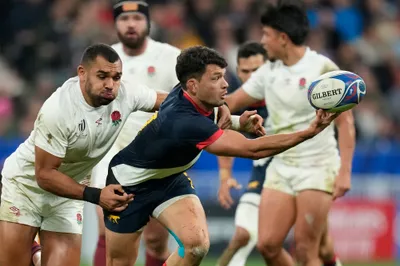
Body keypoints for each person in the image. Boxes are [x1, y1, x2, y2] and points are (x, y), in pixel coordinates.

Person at [102, 45, 339, 266]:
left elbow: (214, 110)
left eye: (223, 76)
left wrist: (236, 120)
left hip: (169, 180)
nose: (226, 84)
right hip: (128, 185)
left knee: (196, 246)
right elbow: (253, 149)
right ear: (193, 85)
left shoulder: (187, 92)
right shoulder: (184, 121)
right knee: (120, 262)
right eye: (216, 79)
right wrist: (309, 132)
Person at [0, 43, 169, 266]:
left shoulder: (126, 94)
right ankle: (36, 252)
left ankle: (37, 255)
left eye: (116, 77)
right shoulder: (58, 109)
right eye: (102, 76)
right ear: (82, 73)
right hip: (26, 187)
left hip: (67, 194)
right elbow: (44, 175)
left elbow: (170, 102)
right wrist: (97, 196)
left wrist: (215, 109)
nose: (110, 84)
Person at [225, 2, 354, 266]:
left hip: (317, 166)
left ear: (283, 38)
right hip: (281, 166)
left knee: (307, 251)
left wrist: (345, 171)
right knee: (268, 245)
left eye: (266, 35)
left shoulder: (321, 68)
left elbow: (345, 123)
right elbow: (232, 102)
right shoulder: (268, 72)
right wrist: (192, 106)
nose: (262, 41)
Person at [90, 1, 181, 265]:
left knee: (155, 239)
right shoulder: (103, 59)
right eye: (124, 19)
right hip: (111, 153)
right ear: (115, 24)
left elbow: (187, 105)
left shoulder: (170, 57)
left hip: (157, 158)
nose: (131, 24)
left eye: (137, 18)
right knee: (107, 232)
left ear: (148, 23)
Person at [216, 41, 270, 266]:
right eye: (245, 71)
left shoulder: (286, 94)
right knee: (242, 235)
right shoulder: (234, 104)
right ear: (237, 71)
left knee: (317, 247)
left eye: (257, 71)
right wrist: (225, 176)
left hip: (300, 173)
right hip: (264, 173)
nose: (251, 77)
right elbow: (221, 135)